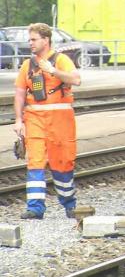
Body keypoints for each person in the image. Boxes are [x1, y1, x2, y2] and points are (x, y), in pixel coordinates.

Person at [13, 23, 81, 219]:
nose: (30, 43)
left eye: (34, 39)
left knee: (63, 163)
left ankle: (69, 204)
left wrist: (53, 71)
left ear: (46, 40)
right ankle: (35, 208)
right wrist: (19, 120)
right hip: (34, 119)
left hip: (61, 121)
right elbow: (19, 93)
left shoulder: (61, 60)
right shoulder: (27, 65)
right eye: (30, 40)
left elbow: (76, 80)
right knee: (35, 162)